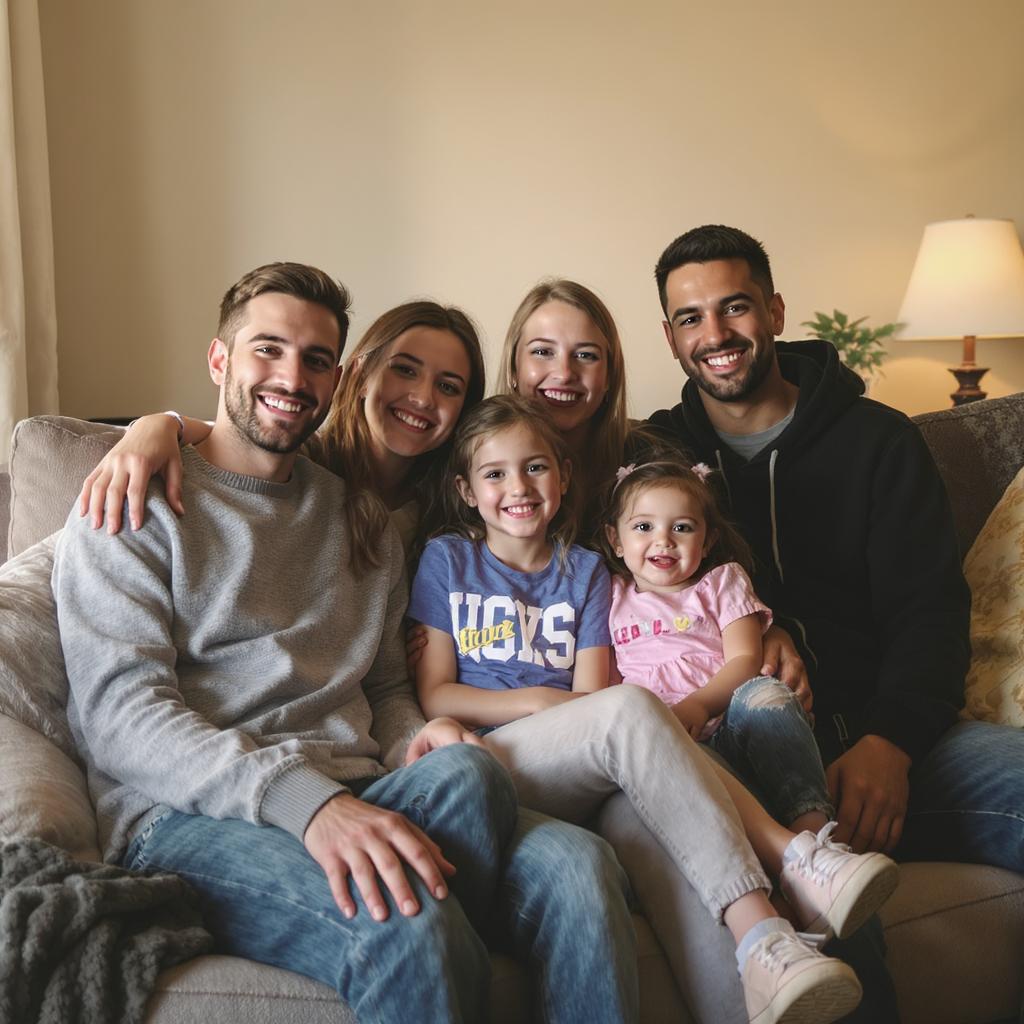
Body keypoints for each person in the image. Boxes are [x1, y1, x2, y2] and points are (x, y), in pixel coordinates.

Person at [52, 263, 640, 1023]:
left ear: (337, 377)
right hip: (191, 814)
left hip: (365, 785)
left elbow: (387, 689)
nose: (292, 377)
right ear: (219, 360)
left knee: (574, 862)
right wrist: (310, 804)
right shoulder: (133, 497)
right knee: (405, 922)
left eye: (315, 360)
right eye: (268, 350)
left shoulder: (363, 520)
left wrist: (418, 738)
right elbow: (120, 717)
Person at [408, 393, 908, 1024]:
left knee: (675, 846)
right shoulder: (448, 559)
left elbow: (594, 692)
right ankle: (794, 859)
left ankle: (766, 955)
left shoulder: (587, 570)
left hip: (592, 757)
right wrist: (538, 700)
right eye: (495, 473)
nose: (519, 487)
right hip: (496, 754)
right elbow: (436, 693)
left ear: (564, 475)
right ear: (465, 488)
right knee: (637, 709)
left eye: (536, 467)